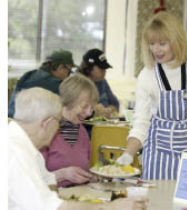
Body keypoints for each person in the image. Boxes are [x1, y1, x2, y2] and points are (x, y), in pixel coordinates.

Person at [116, 12, 187, 180]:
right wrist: (128, 154)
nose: (156, 49)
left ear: (176, 41)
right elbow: (141, 122)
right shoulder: (147, 75)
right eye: (152, 43)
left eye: (162, 43)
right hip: (159, 152)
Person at [9, 87, 147, 210]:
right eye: (58, 122)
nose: (58, 128)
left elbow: (48, 181)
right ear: (47, 123)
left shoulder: (24, 145)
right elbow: (51, 207)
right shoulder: (15, 153)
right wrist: (112, 207)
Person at [40, 74, 98, 187]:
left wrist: (92, 177)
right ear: (69, 101)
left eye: (91, 108)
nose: (89, 113)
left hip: (78, 196)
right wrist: (63, 174)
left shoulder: (82, 132)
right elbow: (32, 179)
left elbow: (85, 170)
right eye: (85, 107)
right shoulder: (45, 131)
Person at [8, 49, 75, 118]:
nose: (68, 76)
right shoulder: (54, 83)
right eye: (69, 72)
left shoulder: (30, 74)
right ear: (61, 67)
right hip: (26, 123)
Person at [78, 48, 119, 118]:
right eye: (101, 68)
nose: (104, 71)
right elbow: (72, 108)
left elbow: (116, 104)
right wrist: (93, 108)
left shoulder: (103, 82)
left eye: (105, 69)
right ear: (89, 67)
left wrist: (108, 109)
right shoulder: (77, 82)